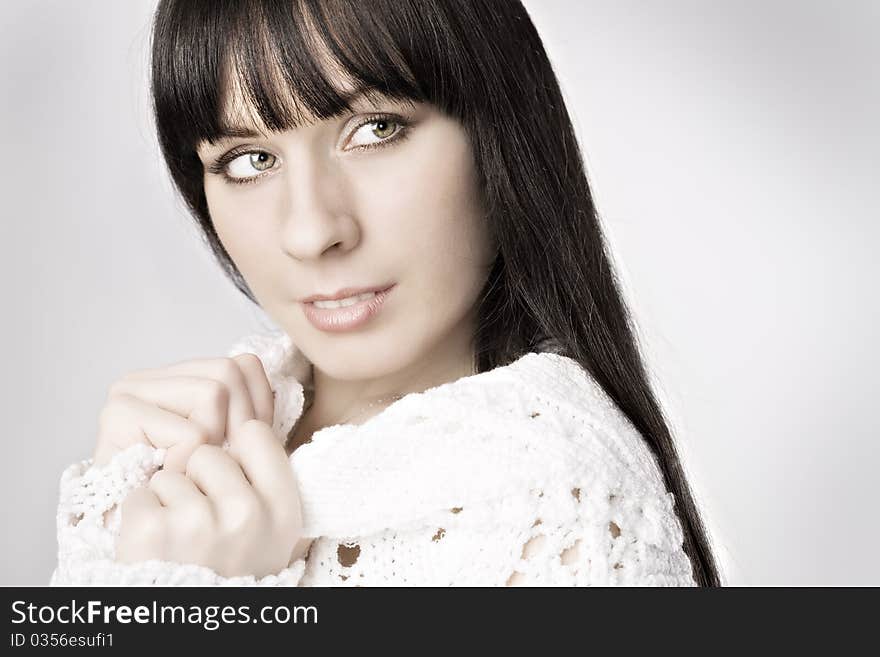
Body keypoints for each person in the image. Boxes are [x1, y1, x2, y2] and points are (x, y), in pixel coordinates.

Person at [50, 0, 722, 586]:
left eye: (375, 129)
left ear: (498, 141)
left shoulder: (561, 511)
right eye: (250, 160)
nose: (312, 231)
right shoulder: (177, 452)